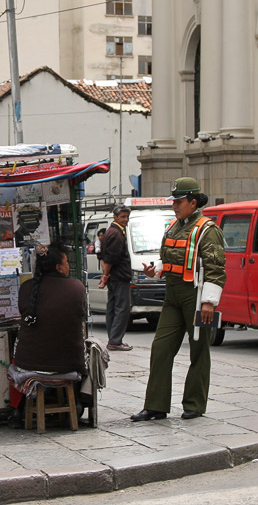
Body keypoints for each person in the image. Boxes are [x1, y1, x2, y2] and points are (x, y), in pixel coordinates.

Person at [131, 177, 225, 422]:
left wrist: (209, 302)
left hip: (196, 294)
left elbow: (216, 267)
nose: (175, 205)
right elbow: (171, 258)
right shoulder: (173, 226)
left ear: (193, 202)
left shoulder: (207, 229)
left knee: (199, 351)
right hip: (172, 294)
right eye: (174, 201)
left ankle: (194, 404)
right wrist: (156, 270)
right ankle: (156, 405)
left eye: (179, 201)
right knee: (160, 348)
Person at [8, 244, 88, 426]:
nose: (68, 266)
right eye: (66, 262)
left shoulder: (27, 288)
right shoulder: (76, 287)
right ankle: (77, 401)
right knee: (92, 349)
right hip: (68, 365)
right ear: (59, 267)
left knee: (15, 351)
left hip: (28, 365)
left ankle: (16, 411)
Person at [100, 206, 133, 351]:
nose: (125, 220)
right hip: (119, 276)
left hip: (115, 276)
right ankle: (115, 340)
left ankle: (113, 339)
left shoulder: (113, 231)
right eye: (123, 217)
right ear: (115, 217)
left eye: (127, 217)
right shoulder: (116, 233)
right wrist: (106, 274)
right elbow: (110, 258)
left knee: (113, 307)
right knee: (121, 308)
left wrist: (107, 275)